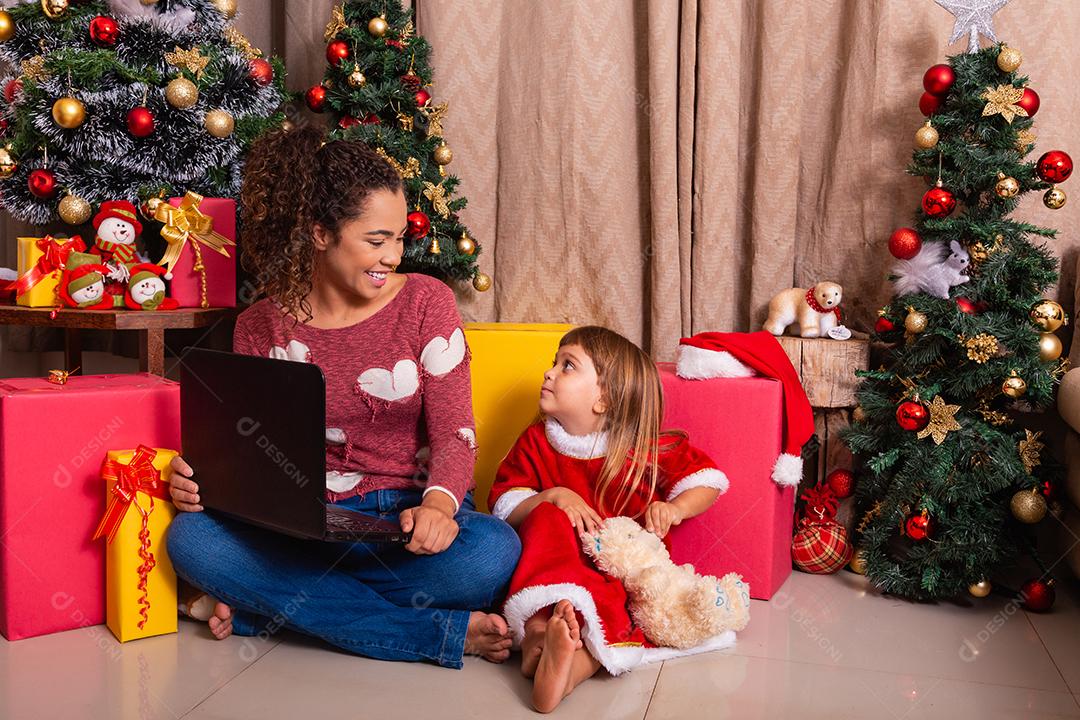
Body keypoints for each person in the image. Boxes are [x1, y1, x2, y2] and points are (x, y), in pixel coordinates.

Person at [164, 127, 521, 670]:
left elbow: (455, 431)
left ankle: (273, 610)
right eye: (376, 241)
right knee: (192, 540)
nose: (393, 257)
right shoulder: (262, 323)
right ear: (319, 234)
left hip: (407, 520)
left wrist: (440, 504)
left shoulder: (428, 302)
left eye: (400, 239)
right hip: (311, 524)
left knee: (493, 551)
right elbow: (254, 449)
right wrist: (201, 479)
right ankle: (432, 633)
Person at [489, 326, 744, 712]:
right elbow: (506, 506)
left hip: (617, 577)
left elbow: (706, 480)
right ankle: (541, 637)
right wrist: (554, 495)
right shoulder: (537, 441)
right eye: (553, 363)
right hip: (552, 568)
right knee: (547, 516)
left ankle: (568, 665)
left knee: (615, 614)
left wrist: (675, 509)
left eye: (567, 366)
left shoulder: (642, 447)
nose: (549, 373)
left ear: (604, 399)